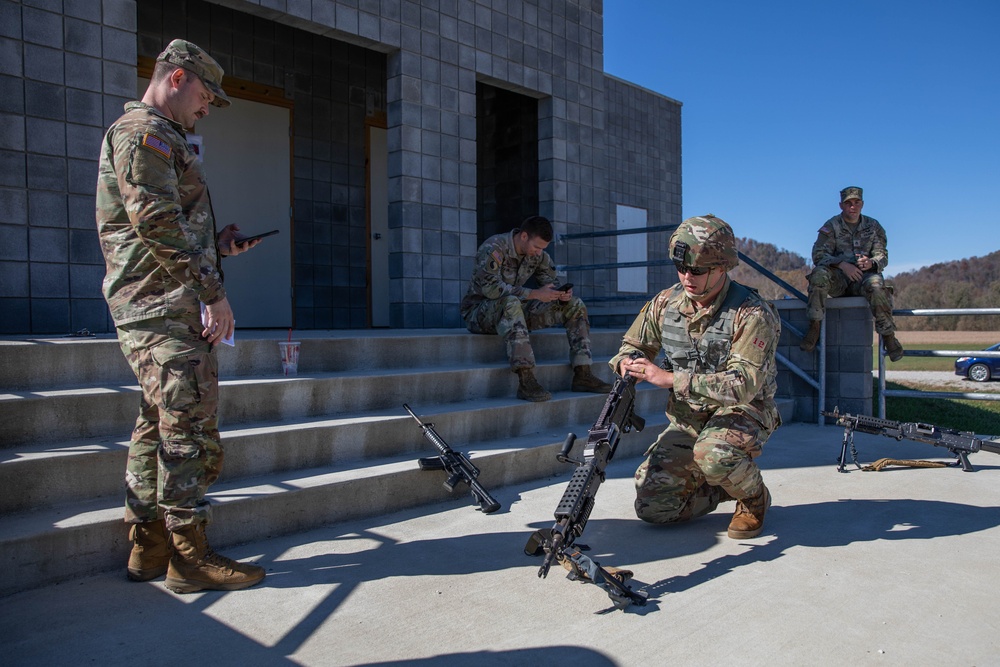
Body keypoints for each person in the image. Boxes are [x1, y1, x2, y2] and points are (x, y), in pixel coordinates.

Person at [96, 39, 266, 593]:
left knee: (157, 421)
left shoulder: (157, 136)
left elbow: (164, 224)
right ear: (176, 79)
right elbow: (155, 224)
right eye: (205, 96)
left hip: (159, 299)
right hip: (161, 307)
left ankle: (147, 546)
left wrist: (218, 247)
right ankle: (189, 558)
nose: (207, 108)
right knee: (189, 426)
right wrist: (213, 292)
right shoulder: (143, 133)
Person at [610, 215, 781, 539]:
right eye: (681, 267)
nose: (688, 277)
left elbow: (744, 384)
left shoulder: (751, 312)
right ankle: (723, 486)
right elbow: (631, 345)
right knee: (653, 507)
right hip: (690, 418)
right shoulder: (665, 303)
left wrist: (672, 379)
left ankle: (754, 498)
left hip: (743, 412)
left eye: (698, 270)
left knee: (713, 453)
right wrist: (627, 362)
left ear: (722, 267)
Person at [461, 215, 612, 402]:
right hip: (480, 313)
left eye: (543, 248)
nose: (539, 252)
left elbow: (550, 283)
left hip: (516, 311)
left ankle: (583, 373)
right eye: (537, 247)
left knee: (575, 305)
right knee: (511, 303)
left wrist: (560, 295)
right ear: (524, 236)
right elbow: (490, 289)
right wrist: (533, 294)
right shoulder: (494, 248)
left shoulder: (538, 256)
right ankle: (526, 380)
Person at [800, 186, 903, 361]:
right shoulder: (831, 226)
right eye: (848, 203)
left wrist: (872, 262)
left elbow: (882, 255)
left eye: (856, 203)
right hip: (839, 279)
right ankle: (815, 326)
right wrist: (842, 264)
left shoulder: (873, 226)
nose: (852, 207)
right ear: (841, 205)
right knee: (818, 275)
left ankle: (888, 336)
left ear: (862, 204)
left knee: (878, 285)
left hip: (864, 278)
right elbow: (818, 255)